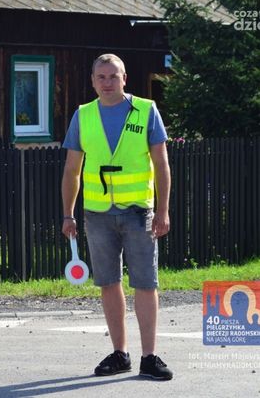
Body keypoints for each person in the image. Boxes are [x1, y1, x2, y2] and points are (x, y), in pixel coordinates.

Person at [61, 54, 173, 381]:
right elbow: (72, 170)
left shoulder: (146, 110)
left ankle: (149, 357)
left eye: (113, 76)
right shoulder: (83, 115)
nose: (107, 82)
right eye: (101, 77)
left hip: (139, 213)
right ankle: (120, 353)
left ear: (125, 79)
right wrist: (68, 214)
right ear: (93, 81)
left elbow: (162, 164)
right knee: (108, 283)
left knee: (145, 283)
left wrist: (163, 210)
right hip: (97, 215)